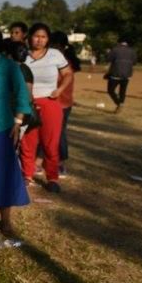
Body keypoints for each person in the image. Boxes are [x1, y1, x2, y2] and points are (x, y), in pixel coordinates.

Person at [0, 27, 32, 240]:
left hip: (0, 127)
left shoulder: (8, 66)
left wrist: (18, 122)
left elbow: (22, 95)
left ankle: (6, 220)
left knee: (3, 174)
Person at [19, 23, 73, 193]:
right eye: (36, 36)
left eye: (43, 37)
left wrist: (60, 90)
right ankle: (26, 175)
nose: (40, 40)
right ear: (30, 37)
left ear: (48, 39)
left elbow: (68, 74)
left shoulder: (55, 54)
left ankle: (52, 178)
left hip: (50, 103)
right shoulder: (22, 55)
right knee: (27, 142)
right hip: (28, 104)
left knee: (50, 143)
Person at [50, 31, 81, 176]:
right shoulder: (58, 59)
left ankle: (61, 163)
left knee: (59, 133)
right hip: (59, 102)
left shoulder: (63, 62)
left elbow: (57, 81)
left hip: (61, 103)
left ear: (60, 46)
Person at [105, 36, 137, 112]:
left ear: (119, 42)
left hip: (115, 73)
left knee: (110, 90)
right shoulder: (132, 51)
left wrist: (108, 52)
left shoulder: (115, 49)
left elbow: (108, 59)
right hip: (127, 74)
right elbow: (134, 62)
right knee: (122, 91)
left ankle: (119, 103)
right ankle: (121, 103)